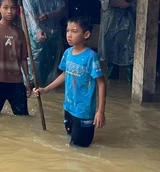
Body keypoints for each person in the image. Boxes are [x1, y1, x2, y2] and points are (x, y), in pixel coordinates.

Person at [34, 16, 106, 147]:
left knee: (79, 147)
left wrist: (100, 111)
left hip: (84, 112)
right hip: (69, 108)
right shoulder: (67, 53)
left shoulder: (91, 57)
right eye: (67, 31)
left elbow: (101, 84)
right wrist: (45, 89)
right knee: (71, 142)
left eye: (74, 31)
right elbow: (65, 74)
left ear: (86, 34)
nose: (69, 35)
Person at [92, 0, 137, 83]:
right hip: (110, 17)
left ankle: (131, 81)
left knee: (129, 50)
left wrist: (129, 3)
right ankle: (113, 84)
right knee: (109, 50)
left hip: (126, 16)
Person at [22, 0, 65, 88]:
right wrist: (38, 32)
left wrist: (49, 16)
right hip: (36, 36)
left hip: (54, 33)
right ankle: (31, 87)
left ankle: (46, 88)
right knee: (35, 63)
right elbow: (30, 17)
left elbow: (62, 10)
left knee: (51, 63)